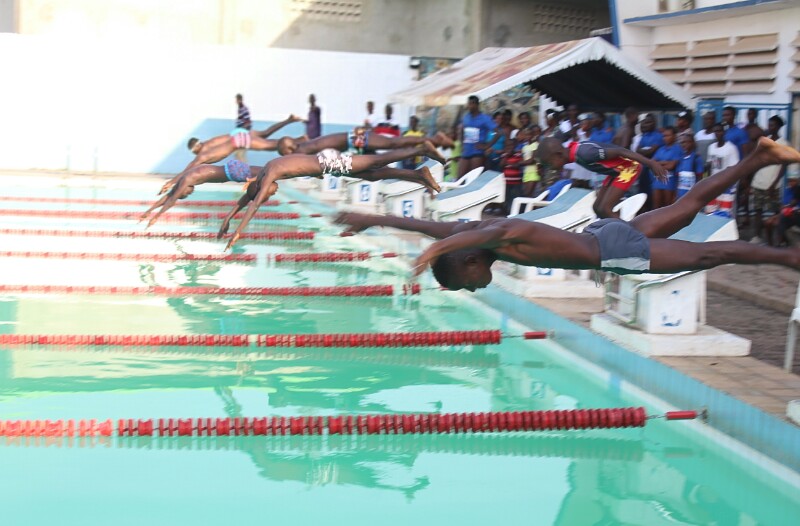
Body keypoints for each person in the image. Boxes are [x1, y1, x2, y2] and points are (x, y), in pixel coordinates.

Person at [334, 138, 800, 291]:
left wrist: (439, 246)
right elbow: (425, 223)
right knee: (687, 206)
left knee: (707, 256)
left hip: (614, 248)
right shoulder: (478, 238)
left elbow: (500, 226)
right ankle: (757, 159)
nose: (474, 289)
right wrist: (376, 220)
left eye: (467, 285)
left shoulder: (496, 237)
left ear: (471, 263)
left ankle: (788, 258)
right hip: (605, 234)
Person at [220, 143, 444, 249]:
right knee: (373, 176)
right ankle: (417, 174)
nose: (273, 193)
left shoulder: (269, 175)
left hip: (328, 162)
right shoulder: (261, 177)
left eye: (269, 194)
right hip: (327, 165)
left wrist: (238, 232)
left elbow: (254, 203)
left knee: (375, 162)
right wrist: (228, 218)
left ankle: (419, 149)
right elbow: (248, 198)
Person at [164, 115, 303, 195]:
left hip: (240, 138)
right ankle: (291, 124)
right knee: (267, 136)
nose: (195, 154)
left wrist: (172, 181)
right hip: (240, 136)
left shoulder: (205, 149)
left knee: (273, 144)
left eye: (194, 152)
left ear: (196, 147)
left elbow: (191, 166)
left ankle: (301, 141)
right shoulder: (209, 144)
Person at [535, 137, 668, 219]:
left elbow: (621, 151)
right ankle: (612, 229)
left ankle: (632, 235)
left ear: (558, 154)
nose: (550, 168)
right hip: (615, 173)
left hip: (628, 169)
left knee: (605, 208)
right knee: (597, 208)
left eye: (549, 164)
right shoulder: (575, 152)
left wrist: (650, 163)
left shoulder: (585, 153)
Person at [276, 127, 452, 164]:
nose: (284, 158)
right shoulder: (303, 146)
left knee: (391, 143)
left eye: (283, 154)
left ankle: (433, 139)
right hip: (352, 140)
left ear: (289, 149)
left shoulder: (302, 150)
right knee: (378, 162)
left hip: (353, 138)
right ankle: (424, 148)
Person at [751, 116, 790, 244]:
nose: (770, 127)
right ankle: (757, 237)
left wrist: (774, 183)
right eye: (769, 125)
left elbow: (784, 166)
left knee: (776, 213)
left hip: (772, 184)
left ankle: (779, 238)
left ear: (779, 127)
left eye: (773, 125)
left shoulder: (784, 144)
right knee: (758, 211)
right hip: (758, 182)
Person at [705, 123, 741, 218]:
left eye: (720, 131)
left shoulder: (731, 148)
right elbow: (709, 166)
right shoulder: (711, 147)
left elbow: (733, 169)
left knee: (725, 213)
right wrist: (706, 181)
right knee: (711, 212)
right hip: (713, 185)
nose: (718, 133)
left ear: (724, 132)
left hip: (726, 186)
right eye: (715, 131)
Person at [459, 95, 495, 178]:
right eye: (468, 104)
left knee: (473, 178)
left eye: (471, 104)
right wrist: (462, 144)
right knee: (460, 177)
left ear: (476, 105)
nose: (469, 106)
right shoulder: (466, 117)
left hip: (477, 152)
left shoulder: (485, 118)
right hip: (466, 151)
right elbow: (462, 130)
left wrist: (487, 146)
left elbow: (498, 132)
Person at [634, 113, 665, 210]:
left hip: (653, 169)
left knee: (652, 194)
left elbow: (652, 151)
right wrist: (646, 151)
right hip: (643, 168)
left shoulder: (658, 136)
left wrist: (644, 151)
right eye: (645, 123)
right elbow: (637, 150)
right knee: (642, 192)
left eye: (648, 122)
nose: (646, 125)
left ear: (654, 123)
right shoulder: (644, 136)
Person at [650, 126, 683, 209]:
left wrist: (659, 163)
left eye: (668, 135)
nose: (665, 138)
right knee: (656, 207)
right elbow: (651, 163)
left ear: (674, 136)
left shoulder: (678, 149)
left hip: (670, 181)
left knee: (667, 207)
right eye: (664, 136)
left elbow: (671, 166)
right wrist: (666, 162)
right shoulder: (660, 149)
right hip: (657, 181)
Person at [676, 134, 704, 200]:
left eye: (685, 142)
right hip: (680, 194)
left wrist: (697, 193)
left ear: (692, 143)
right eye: (681, 142)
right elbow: (678, 178)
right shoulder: (680, 158)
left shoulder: (696, 158)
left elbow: (700, 178)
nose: (683, 144)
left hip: (691, 195)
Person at [521, 125, 541, 197]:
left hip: (533, 172)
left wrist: (519, 163)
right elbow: (525, 159)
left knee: (529, 193)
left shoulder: (535, 145)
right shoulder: (524, 147)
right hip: (526, 172)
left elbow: (532, 160)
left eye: (529, 134)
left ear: (533, 135)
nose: (528, 137)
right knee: (527, 194)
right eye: (526, 135)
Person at [235, 94, 252, 163]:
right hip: (240, 133)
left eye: (236, 100)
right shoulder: (240, 108)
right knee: (238, 154)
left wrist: (242, 132)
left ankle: (243, 170)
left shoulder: (243, 109)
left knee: (240, 154)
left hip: (242, 134)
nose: (235, 101)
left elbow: (247, 122)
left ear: (239, 100)